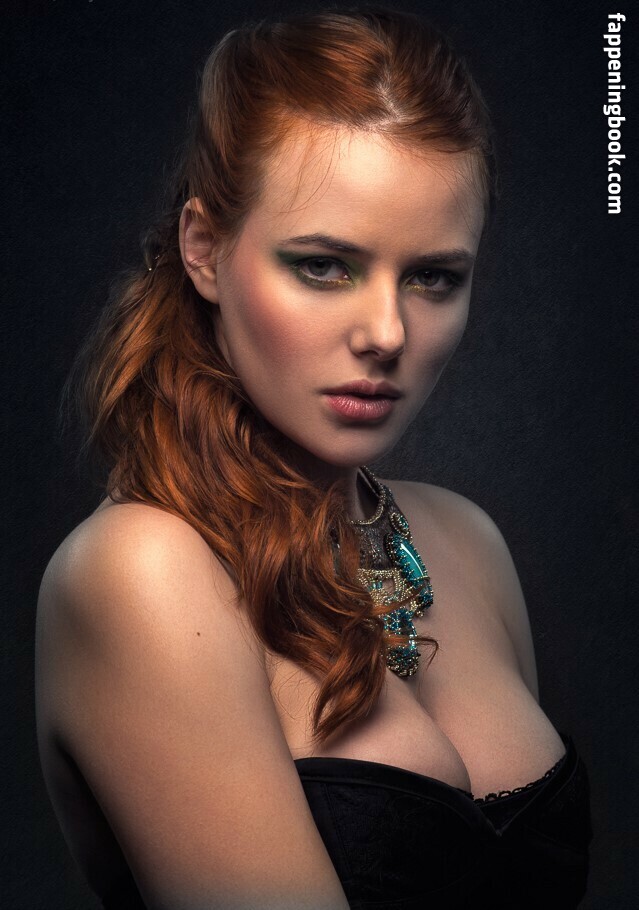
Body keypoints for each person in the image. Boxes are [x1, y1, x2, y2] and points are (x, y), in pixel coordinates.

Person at [35, 6, 592, 909]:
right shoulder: (142, 572)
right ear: (204, 249)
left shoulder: (465, 542)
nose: (387, 333)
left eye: (433, 277)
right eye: (325, 266)